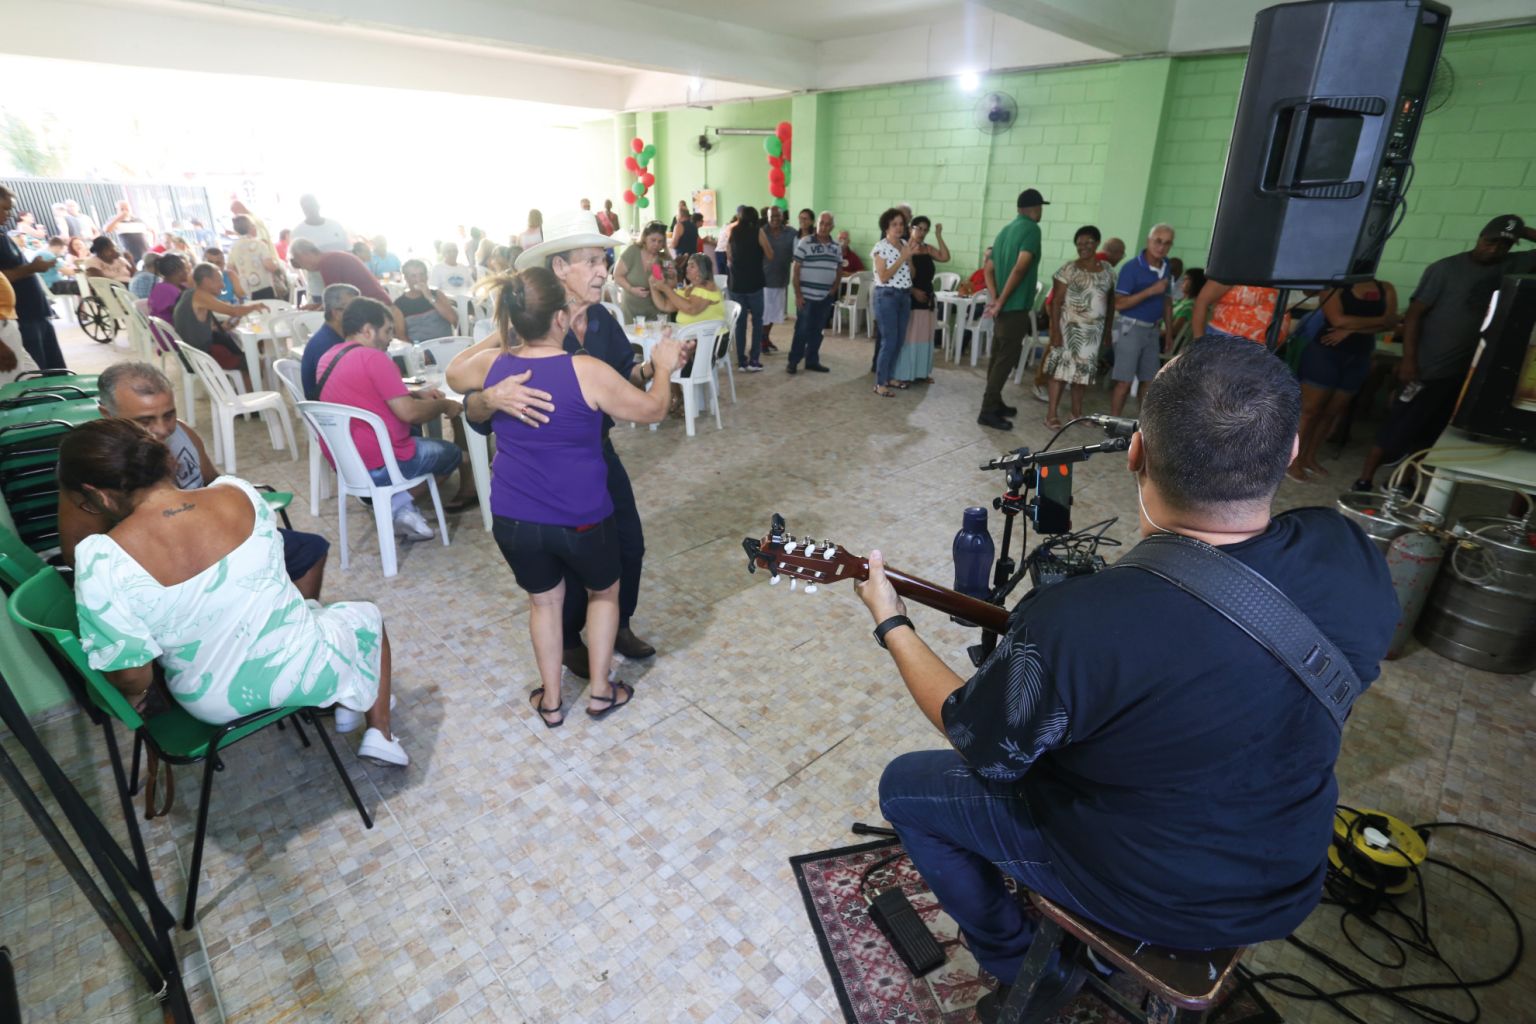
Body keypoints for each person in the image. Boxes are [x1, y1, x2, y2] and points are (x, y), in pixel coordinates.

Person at [860, 339, 1397, 1022]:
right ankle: (1109, 954)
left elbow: (981, 743)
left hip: (1152, 891)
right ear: (1291, 451)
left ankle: (1021, 960)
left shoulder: (1080, 621)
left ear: (1136, 451)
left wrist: (891, 624)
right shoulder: (1348, 552)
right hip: (1287, 879)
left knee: (905, 787)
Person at [62, 419, 405, 764]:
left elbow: (132, 675)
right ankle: (380, 733)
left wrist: (139, 692)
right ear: (164, 459)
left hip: (213, 703)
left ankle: (353, 696)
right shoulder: (238, 493)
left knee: (318, 614)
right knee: (364, 616)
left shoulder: (102, 559)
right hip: (305, 668)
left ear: (99, 494)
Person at [448, 209, 688, 675]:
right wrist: (491, 397)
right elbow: (469, 403)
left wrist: (651, 370)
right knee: (566, 562)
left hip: (596, 456)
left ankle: (616, 624)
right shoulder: (525, 328)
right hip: (538, 467)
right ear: (560, 268)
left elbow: (622, 377)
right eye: (593, 260)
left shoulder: (602, 321)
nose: (604, 270)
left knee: (629, 545)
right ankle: (574, 641)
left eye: (604, 259)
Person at [59, 361, 331, 598]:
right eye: (144, 421)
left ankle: (291, 621)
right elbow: (78, 553)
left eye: (168, 415)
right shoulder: (95, 464)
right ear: (107, 414)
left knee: (311, 549)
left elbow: (213, 483)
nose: (162, 430)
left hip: (210, 540)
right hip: (163, 564)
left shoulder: (184, 434)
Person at [1352, 214, 1536, 491]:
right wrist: (1409, 360)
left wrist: (1522, 229)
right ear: (1480, 238)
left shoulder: (1512, 264)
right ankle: (1365, 479)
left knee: (1433, 432)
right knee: (1399, 426)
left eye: (1504, 245)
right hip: (1428, 366)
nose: (1495, 249)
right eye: (1491, 242)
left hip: (1465, 372)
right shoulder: (1446, 269)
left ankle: (1403, 480)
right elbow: (1414, 316)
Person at [314, 298, 464, 541]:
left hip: (346, 462)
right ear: (367, 330)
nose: (390, 339)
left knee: (417, 436)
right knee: (452, 454)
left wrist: (415, 393)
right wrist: (444, 405)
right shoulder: (375, 359)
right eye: (387, 331)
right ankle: (396, 504)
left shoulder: (327, 358)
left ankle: (399, 507)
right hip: (381, 462)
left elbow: (364, 389)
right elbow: (410, 413)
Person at [1289, 280, 1401, 483]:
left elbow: (1393, 322)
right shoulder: (1335, 286)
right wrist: (1377, 321)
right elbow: (1338, 320)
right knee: (1310, 411)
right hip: (1326, 352)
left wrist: (1351, 328)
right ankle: (1293, 462)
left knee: (1331, 412)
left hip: (1359, 355)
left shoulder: (1386, 288)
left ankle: (1309, 457)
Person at [977, 189, 1047, 430]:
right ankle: (987, 410)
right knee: (1005, 360)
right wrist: (1003, 300)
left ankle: (995, 403)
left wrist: (995, 299)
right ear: (1035, 208)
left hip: (1003, 308)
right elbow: (1021, 267)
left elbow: (988, 269)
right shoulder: (1032, 230)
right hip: (1014, 308)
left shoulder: (1005, 231)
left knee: (998, 356)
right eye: (1041, 208)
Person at [1044, 225, 1116, 429]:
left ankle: (1076, 413)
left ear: (1097, 243)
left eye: (1088, 243)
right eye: (1079, 244)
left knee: (1082, 375)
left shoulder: (1108, 270)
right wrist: (1055, 333)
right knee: (1060, 372)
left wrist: (1108, 330)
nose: (1083, 247)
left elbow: (1110, 302)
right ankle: (1051, 415)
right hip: (1069, 331)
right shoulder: (1069, 269)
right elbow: (1056, 302)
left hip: (1093, 334)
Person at [1109, 224, 1176, 417]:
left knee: (1150, 381)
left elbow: (1167, 301)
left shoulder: (1167, 266)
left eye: (1167, 243)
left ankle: (1145, 428)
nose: (1161, 247)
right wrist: (1150, 291)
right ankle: (1113, 426)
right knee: (1124, 381)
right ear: (1149, 240)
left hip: (1153, 330)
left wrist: (1169, 332)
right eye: (1158, 241)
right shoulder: (1131, 267)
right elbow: (1119, 304)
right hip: (1130, 328)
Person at [0, 186, 67, 370]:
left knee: (55, 371)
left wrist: (33, 268)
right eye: (4, 208)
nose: (9, 214)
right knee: (37, 378)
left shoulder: (3, 233)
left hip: (36, 310)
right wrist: (32, 268)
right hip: (20, 316)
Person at [288, 238, 406, 338]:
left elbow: (335, 303)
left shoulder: (328, 262)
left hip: (377, 313)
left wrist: (314, 311)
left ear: (305, 254)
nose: (301, 266)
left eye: (299, 261)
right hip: (378, 308)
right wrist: (316, 306)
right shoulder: (332, 258)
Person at [174, 262, 267, 383]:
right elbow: (234, 311)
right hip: (200, 357)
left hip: (190, 354)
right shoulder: (200, 295)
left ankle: (241, 389)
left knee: (242, 353)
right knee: (253, 362)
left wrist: (225, 326)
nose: (223, 286)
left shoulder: (188, 294)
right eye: (220, 281)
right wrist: (254, 306)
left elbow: (197, 328)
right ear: (207, 281)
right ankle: (248, 397)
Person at [892, 216, 951, 386]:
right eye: (919, 228)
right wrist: (913, 290)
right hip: (909, 297)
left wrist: (939, 235)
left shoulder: (927, 249)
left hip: (927, 298)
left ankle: (921, 372)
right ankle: (905, 373)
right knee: (910, 338)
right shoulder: (902, 247)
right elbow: (896, 275)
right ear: (911, 228)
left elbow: (945, 257)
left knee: (925, 338)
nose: (922, 233)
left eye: (925, 230)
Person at [787, 211, 843, 375]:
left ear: (832, 226)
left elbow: (839, 269)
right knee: (802, 330)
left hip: (825, 297)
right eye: (821, 223)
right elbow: (796, 269)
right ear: (816, 224)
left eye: (827, 224)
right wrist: (798, 294)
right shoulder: (805, 242)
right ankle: (793, 361)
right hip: (806, 296)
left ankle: (812, 361)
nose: (824, 227)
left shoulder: (836, 247)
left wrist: (833, 289)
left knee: (818, 331)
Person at [871, 207, 918, 397]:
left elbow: (911, 275)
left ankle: (890, 376)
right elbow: (883, 276)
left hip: (904, 296)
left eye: (901, 224)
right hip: (887, 296)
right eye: (894, 224)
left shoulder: (905, 244)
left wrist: (909, 259)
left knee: (898, 341)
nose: (899, 228)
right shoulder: (880, 247)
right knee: (889, 340)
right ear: (886, 227)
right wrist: (902, 258)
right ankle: (880, 382)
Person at [727, 207, 772, 372]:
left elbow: (729, 256)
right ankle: (754, 359)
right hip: (754, 284)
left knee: (740, 324)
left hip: (737, 284)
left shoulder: (733, 231)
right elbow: (770, 254)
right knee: (758, 322)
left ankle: (741, 361)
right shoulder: (758, 232)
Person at [300, 283, 361, 399]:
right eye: (355, 309)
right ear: (337, 313)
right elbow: (339, 392)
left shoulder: (333, 336)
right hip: (332, 411)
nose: (362, 315)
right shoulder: (327, 346)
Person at [1191, 280, 1292, 345]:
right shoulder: (1234, 268)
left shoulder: (1274, 274)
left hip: (1259, 350)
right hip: (1226, 343)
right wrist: (1199, 344)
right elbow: (1201, 303)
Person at [290, 194, 350, 299]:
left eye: (312, 204)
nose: (310, 208)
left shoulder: (335, 225)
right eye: (306, 206)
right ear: (302, 209)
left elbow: (348, 252)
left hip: (346, 286)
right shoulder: (297, 232)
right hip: (319, 290)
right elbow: (296, 263)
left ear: (318, 205)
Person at [613, 221, 667, 324]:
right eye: (653, 240)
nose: (656, 244)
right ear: (645, 238)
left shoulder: (663, 258)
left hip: (655, 311)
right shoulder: (633, 251)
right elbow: (617, 275)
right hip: (631, 310)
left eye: (660, 241)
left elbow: (670, 284)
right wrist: (631, 289)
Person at [761, 207, 797, 353]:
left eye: (778, 216)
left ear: (782, 217)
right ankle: (761, 340)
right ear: (767, 218)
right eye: (772, 216)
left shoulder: (791, 232)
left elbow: (797, 252)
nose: (775, 219)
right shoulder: (762, 232)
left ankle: (765, 337)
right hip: (764, 279)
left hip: (782, 278)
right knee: (764, 314)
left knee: (774, 313)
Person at [395, 258, 459, 341]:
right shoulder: (399, 305)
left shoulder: (437, 294)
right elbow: (401, 336)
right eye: (413, 276)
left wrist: (430, 297)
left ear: (427, 276)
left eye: (422, 274)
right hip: (420, 350)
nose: (419, 279)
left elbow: (454, 320)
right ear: (406, 279)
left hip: (445, 345)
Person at [229, 214, 284, 301]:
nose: (255, 228)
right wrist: (277, 266)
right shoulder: (260, 245)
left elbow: (230, 269)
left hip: (246, 290)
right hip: (263, 287)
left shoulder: (234, 248)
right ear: (250, 228)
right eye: (253, 226)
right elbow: (269, 266)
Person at [147, 254, 189, 325]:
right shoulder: (169, 291)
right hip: (168, 333)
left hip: (160, 331)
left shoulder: (160, 286)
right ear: (178, 271)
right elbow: (184, 316)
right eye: (186, 268)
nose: (187, 271)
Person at [1169, 266, 1205, 341]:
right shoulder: (1180, 302)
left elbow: (1174, 331)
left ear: (1196, 283)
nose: (1182, 281)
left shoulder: (1190, 306)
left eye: (1186, 279)